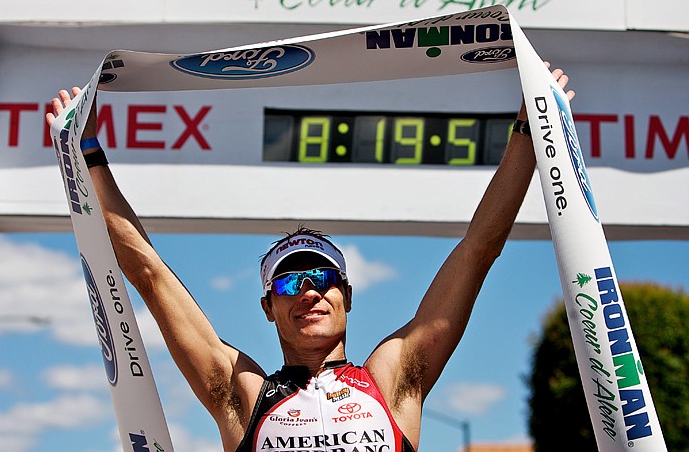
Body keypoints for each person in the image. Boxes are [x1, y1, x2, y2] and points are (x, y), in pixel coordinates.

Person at [47, 67, 574, 452]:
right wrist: (85, 148)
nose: (308, 290)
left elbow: (478, 251)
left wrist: (532, 133)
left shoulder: (393, 380)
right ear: (267, 307)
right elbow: (148, 275)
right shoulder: (242, 392)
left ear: (346, 294)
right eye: (287, 283)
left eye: (322, 276)